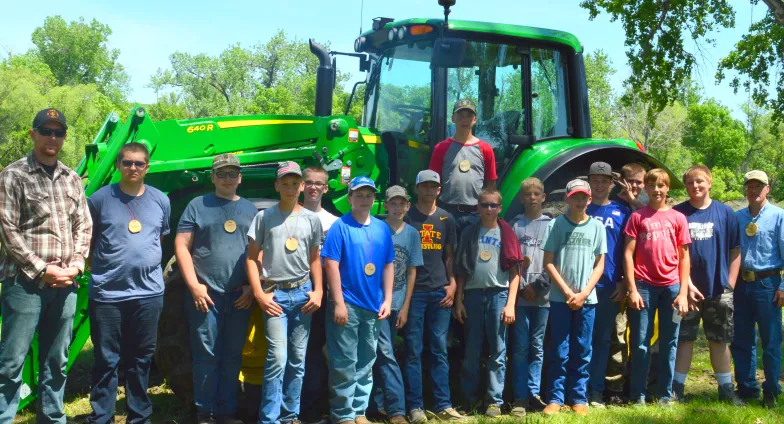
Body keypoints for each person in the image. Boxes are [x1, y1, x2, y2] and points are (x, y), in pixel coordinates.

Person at [0, 109, 92, 423]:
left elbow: (84, 226)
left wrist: (77, 266)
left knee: (57, 360)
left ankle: (52, 417)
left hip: (66, 284)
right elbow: (8, 230)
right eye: (46, 130)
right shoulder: (13, 175)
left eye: (58, 132)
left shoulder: (71, 178)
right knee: (11, 362)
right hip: (25, 285)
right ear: (33, 133)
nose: (52, 137)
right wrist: (43, 269)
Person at [86, 142, 171, 423]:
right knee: (106, 360)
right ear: (119, 165)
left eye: (139, 163)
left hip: (148, 295)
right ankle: (101, 417)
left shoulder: (161, 200)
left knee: (140, 360)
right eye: (127, 163)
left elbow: (158, 240)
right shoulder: (99, 199)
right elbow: (89, 243)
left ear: (147, 167)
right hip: (107, 294)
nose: (133, 168)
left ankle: (139, 417)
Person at [175, 154, 258, 424]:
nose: (227, 179)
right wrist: (194, 287)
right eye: (221, 174)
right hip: (205, 295)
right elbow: (181, 247)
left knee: (233, 355)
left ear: (240, 178)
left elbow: (257, 253)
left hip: (240, 296)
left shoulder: (250, 209)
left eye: (232, 174)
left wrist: (251, 288)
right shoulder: (197, 205)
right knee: (206, 356)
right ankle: (205, 414)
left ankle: (227, 412)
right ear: (212, 177)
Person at [246, 161, 323, 424]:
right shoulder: (264, 217)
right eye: (285, 183)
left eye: (295, 183)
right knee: (278, 358)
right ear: (277, 185)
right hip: (274, 296)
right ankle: (269, 418)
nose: (290, 188)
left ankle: (290, 416)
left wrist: (319, 291)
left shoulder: (311, 220)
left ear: (302, 186)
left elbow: (315, 260)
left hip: (303, 295)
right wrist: (259, 293)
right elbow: (251, 258)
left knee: (297, 360)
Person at [321, 176, 394, 424]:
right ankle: (342, 415)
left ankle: (359, 411)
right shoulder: (340, 226)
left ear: (375, 199)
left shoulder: (382, 228)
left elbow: (387, 265)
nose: (364, 199)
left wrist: (388, 299)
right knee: (344, 362)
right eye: (359, 195)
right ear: (349, 198)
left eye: (369, 195)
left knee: (366, 361)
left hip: (374, 306)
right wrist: (338, 302)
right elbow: (330, 264)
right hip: (348, 305)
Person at [671, 165, 742, 405]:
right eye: (690, 183)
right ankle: (676, 389)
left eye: (700, 181)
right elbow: (673, 254)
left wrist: (729, 285)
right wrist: (686, 285)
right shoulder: (678, 214)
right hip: (684, 293)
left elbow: (735, 251)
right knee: (684, 339)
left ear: (710, 182)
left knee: (719, 340)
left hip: (718, 290)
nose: (695, 186)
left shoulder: (726, 213)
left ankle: (726, 389)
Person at [623, 169, 691, 408]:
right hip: (643, 286)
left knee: (669, 342)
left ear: (667, 188)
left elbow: (684, 257)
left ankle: (664, 394)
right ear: (646, 188)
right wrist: (632, 289)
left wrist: (683, 292)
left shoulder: (678, 218)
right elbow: (628, 254)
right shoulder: (638, 217)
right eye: (652, 185)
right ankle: (637, 395)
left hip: (671, 288)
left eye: (661, 185)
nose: (657, 190)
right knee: (640, 342)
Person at [453, 188, 522, 417]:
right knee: (471, 350)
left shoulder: (507, 233)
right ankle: (468, 400)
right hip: (472, 296)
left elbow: (515, 273)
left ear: (500, 208)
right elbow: (461, 269)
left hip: (499, 295)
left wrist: (511, 303)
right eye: (485, 205)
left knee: (498, 351)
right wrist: (459, 300)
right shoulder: (469, 233)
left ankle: (494, 401)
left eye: (494, 205)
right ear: (478, 207)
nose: (489, 209)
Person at [541, 179, 607, 417]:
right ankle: (556, 398)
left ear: (590, 199)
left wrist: (584, 293)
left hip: (587, 300)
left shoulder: (597, 227)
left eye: (584, 197)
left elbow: (600, 264)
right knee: (559, 349)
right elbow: (548, 262)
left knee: (582, 349)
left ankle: (578, 397)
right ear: (567, 199)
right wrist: (569, 293)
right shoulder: (556, 225)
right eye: (575, 197)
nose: (579, 201)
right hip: (561, 299)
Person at [403, 170, 464, 423]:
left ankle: (443, 405)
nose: (429, 191)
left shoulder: (446, 219)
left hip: (440, 292)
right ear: (416, 189)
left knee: (439, 349)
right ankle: (415, 406)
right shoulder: (407, 217)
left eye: (434, 187)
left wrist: (451, 285)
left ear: (439, 190)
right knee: (413, 351)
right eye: (425, 187)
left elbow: (449, 256)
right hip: (414, 293)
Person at [369, 186, 423, 424]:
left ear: (408, 206)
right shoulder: (376, 229)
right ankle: (395, 409)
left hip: (398, 302)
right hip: (376, 302)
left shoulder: (412, 233)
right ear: (386, 205)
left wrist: (405, 307)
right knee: (384, 352)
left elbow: (411, 272)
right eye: (393, 203)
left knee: (383, 352)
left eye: (402, 204)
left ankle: (380, 405)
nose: (398, 208)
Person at [732, 170, 784, 408]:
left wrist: (783, 286)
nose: (753, 191)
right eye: (750, 186)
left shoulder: (779, 216)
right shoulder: (737, 217)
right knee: (742, 339)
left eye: (758, 186)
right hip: (741, 284)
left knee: (771, 340)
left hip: (768, 284)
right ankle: (747, 387)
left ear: (767, 188)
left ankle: (772, 390)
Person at [584, 162, 631, 408]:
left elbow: (628, 251)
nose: (600, 185)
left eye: (604, 181)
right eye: (595, 180)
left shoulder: (622, 211)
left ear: (611, 184)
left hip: (609, 285)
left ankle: (596, 391)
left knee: (603, 340)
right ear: (589, 182)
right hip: (581, 286)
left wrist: (623, 282)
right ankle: (578, 390)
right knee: (581, 339)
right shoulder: (580, 207)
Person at [508, 177, 552, 416]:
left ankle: (534, 393)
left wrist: (538, 286)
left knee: (537, 347)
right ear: (522, 198)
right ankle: (519, 397)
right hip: (521, 296)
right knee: (520, 347)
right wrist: (524, 287)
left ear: (544, 197)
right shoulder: (515, 225)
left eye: (537, 193)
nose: (532, 197)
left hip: (543, 296)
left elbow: (555, 261)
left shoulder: (551, 225)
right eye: (528, 194)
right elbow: (511, 260)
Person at [300, 165, 339, 424]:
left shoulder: (333, 223)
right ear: (302, 185)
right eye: (309, 182)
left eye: (319, 183)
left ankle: (315, 408)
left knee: (317, 348)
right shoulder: (289, 215)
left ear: (326, 188)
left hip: (323, 294)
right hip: (295, 292)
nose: (313, 187)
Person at [429, 99, 497, 233]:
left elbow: (491, 184)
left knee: (473, 252)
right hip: (446, 211)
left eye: (469, 116)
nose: (464, 119)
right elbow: (432, 182)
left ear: (475, 119)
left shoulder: (485, 149)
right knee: (448, 253)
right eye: (460, 115)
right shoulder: (441, 148)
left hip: (475, 213)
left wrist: (486, 209)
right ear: (453, 118)